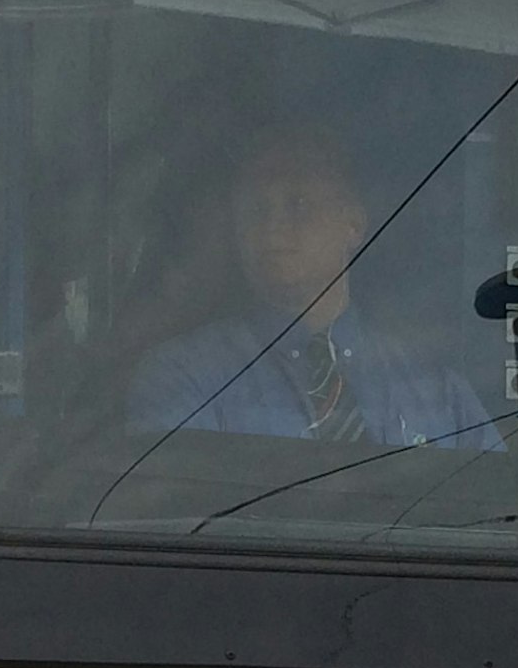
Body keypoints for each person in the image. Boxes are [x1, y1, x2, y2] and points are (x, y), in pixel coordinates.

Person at [130, 123, 494, 449]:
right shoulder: (187, 378)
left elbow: (499, 512)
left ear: (352, 223)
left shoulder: (434, 389)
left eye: (298, 203)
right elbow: (174, 512)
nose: (273, 226)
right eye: (256, 211)